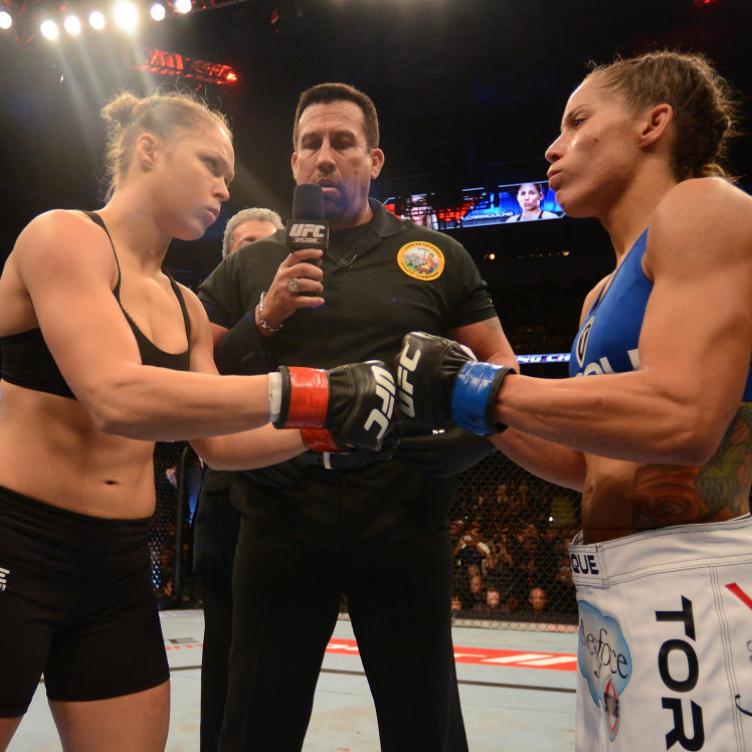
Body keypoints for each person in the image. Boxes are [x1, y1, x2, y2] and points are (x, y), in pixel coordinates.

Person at [0, 90, 393, 752]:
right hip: (16, 547)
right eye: (210, 163)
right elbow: (116, 396)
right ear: (149, 150)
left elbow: (221, 445)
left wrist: (339, 422)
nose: (222, 186)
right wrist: (317, 392)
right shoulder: (64, 236)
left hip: (118, 571)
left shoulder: (186, 307)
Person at [397, 50, 752, 751]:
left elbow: (685, 419)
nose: (553, 147)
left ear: (654, 123)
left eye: (578, 121)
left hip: (698, 574)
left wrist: (488, 385)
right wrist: (473, 406)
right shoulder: (600, 294)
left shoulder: (704, 207)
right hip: (613, 592)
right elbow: (587, 463)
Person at [197, 81, 517, 752]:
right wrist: (263, 316)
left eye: (342, 142)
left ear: (374, 162)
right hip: (281, 516)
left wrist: (468, 442)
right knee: (256, 719)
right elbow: (199, 381)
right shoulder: (250, 263)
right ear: (291, 163)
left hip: (400, 513)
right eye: (310, 143)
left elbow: (502, 372)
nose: (324, 157)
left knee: (423, 719)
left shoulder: (436, 259)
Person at [192, 206, 283, 752]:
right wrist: (263, 319)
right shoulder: (208, 309)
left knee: (279, 658)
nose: (254, 254)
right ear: (227, 258)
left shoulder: (308, 303)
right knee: (227, 649)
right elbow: (208, 368)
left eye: (265, 246)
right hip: (231, 498)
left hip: (301, 494)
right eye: (244, 245)